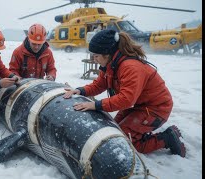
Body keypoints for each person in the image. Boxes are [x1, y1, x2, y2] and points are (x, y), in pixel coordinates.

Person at [63, 29, 186, 157]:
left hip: (156, 109)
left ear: (107, 53)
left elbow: (126, 99)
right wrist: (80, 90)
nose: (94, 59)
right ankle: (140, 130)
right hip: (137, 106)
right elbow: (99, 84)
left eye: (96, 56)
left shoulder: (130, 67)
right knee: (115, 130)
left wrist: (96, 105)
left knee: (127, 142)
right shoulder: (110, 66)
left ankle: (168, 138)